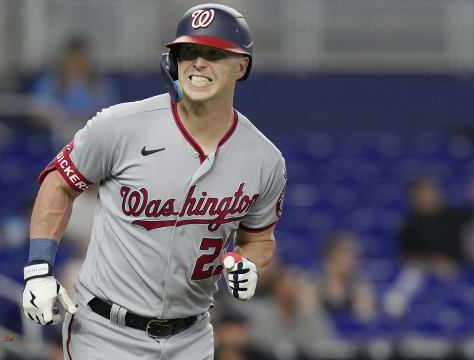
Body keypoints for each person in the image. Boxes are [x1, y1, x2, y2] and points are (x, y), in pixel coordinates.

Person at [21, 4, 287, 360]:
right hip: (105, 332)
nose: (198, 62)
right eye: (188, 51)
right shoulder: (121, 125)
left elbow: (259, 239)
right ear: (173, 61)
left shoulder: (264, 160)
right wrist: (39, 269)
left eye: (213, 53)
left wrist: (251, 263)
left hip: (191, 337)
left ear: (241, 66)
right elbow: (58, 182)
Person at [30, 37, 120, 137]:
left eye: (81, 57)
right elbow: (36, 114)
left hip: (93, 136)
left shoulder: (101, 85)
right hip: (56, 137)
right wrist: (58, 120)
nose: (77, 63)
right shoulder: (49, 82)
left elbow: (112, 114)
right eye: (73, 58)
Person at [316, 231, 376, 322]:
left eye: (351, 258)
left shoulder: (360, 286)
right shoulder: (315, 286)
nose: (349, 262)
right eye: (342, 257)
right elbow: (310, 319)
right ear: (330, 259)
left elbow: (366, 318)